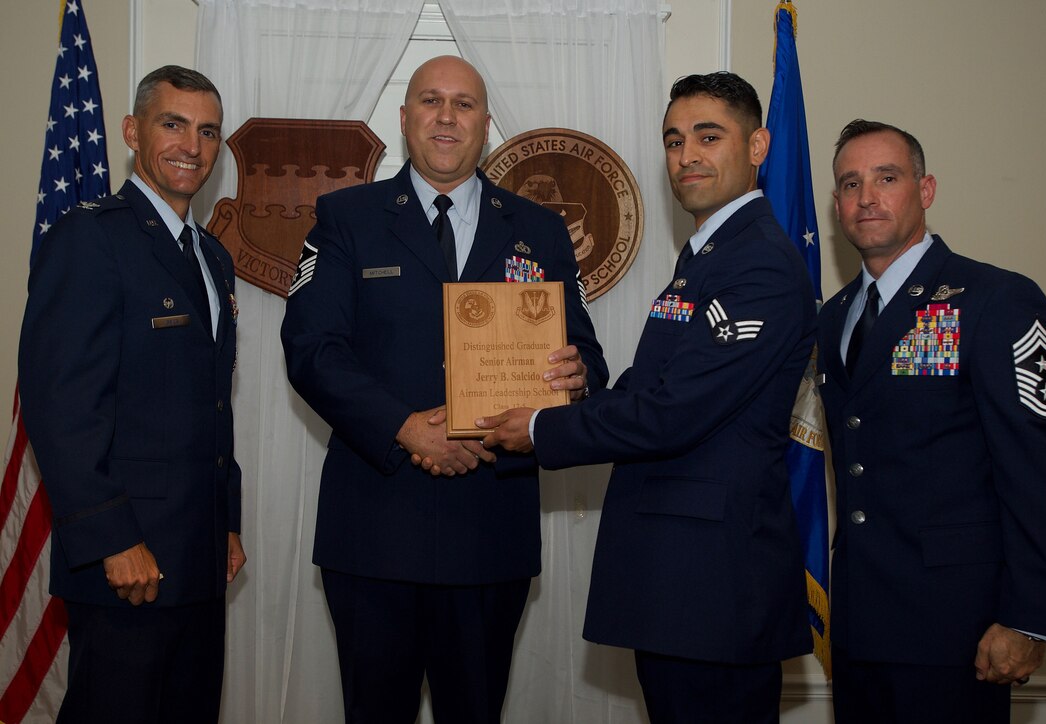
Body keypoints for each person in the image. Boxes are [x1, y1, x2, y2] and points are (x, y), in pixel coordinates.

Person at [479, 71, 815, 723]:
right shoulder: (707, 259)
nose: (686, 155)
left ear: (758, 146)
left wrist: (544, 428)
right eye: (673, 139)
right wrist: (572, 394)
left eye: (708, 136)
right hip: (680, 584)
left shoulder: (762, 265)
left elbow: (674, 413)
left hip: (715, 588)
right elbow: (652, 389)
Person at [280, 55, 607, 723]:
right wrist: (405, 426)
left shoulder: (539, 230)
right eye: (431, 101)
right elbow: (312, 349)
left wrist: (577, 380)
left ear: (486, 124)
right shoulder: (347, 217)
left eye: (464, 104)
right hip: (375, 531)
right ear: (405, 120)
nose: (448, 116)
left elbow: (588, 362)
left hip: (490, 533)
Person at [817, 119, 1046, 723]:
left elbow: (1036, 470)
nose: (867, 197)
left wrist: (1027, 617)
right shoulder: (832, 320)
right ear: (836, 205)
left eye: (887, 178)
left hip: (958, 630)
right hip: (859, 627)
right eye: (850, 184)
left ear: (925, 190)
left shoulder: (994, 300)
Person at [18, 65, 245, 724]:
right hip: (128, 558)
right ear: (131, 131)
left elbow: (211, 401)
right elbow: (61, 405)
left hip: (196, 554)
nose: (191, 147)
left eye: (207, 132)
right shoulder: (91, 237)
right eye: (172, 124)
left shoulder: (211, 257)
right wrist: (112, 537)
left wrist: (225, 521)